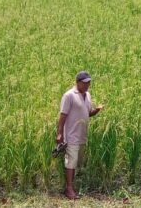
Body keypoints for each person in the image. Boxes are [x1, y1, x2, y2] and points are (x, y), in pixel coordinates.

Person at [56, 71, 104, 199]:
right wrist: (59, 134)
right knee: (70, 162)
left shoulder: (87, 95)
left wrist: (97, 110)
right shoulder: (69, 95)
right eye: (85, 83)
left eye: (89, 82)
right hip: (71, 135)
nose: (88, 85)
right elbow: (63, 116)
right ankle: (69, 189)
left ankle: (71, 185)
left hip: (82, 135)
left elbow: (87, 113)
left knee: (76, 162)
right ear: (77, 82)